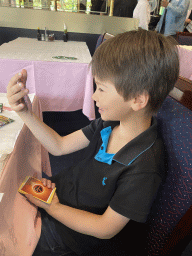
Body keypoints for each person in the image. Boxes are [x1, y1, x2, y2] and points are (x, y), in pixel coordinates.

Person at [7, 29, 180, 256]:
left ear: (137, 100)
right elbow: (59, 146)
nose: (93, 96)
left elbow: (104, 228)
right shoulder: (108, 124)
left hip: (74, 238)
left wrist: (54, 207)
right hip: (62, 200)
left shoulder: (145, 165)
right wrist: (26, 113)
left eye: (101, 88)